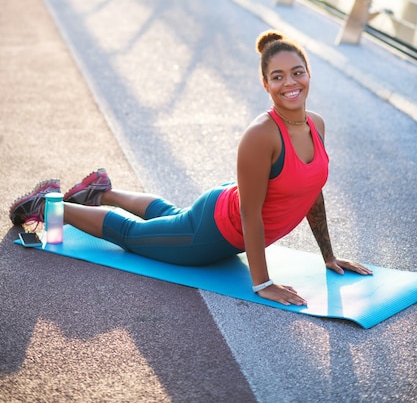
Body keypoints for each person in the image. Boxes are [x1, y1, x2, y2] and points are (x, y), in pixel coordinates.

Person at [9, 30, 372, 306]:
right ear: (266, 84)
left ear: (309, 74)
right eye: (278, 77)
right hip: (215, 232)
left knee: (171, 217)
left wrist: (328, 255)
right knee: (132, 237)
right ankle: (47, 205)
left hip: (215, 212)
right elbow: (250, 213)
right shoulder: (261, 135)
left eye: (297, 73)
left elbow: (311, 191)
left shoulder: (316, 125)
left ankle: (101, 191)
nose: (290, 83)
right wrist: (263, 283)